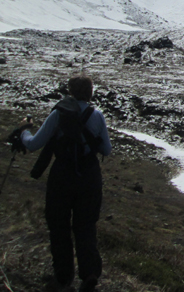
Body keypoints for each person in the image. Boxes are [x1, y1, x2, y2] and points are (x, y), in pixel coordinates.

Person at [19, 75, 112, 292]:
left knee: (58, 225)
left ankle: (63, 276)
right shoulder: (97, 115)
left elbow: (34, 144)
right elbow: (107, 150)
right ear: (90, 93)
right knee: (86, 226)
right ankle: (89, 273)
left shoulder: (58, 114)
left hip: (62, 176)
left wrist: (24, 131)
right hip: (89, 178)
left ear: (70, 91)